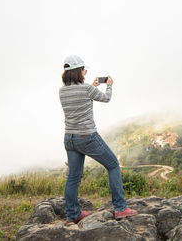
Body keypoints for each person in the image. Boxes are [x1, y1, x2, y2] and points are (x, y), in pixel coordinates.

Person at [59, 55, 138, 224]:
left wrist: (92, 86)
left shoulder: (62, 91)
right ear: (77, 71)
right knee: (113, 165)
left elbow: (80, 98)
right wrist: (108, 86)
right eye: (83, 70)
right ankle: (121, 208)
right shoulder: (87, 89)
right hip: (86, 136)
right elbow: (106, 98)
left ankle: (73, 215)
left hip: (69, 138)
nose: (85, 72)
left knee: (73, 177)